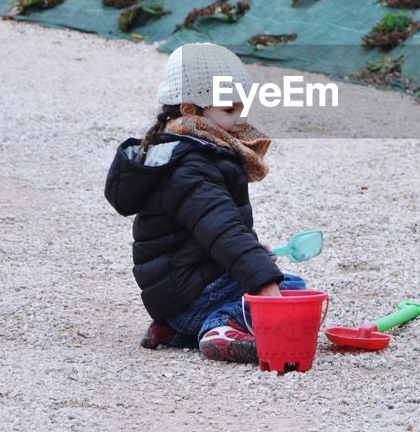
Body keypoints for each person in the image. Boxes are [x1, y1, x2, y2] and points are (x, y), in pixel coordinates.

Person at [104, 42, 305, 363]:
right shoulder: (191, 166)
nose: (239, 120)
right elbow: (223, 230)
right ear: (189, 110)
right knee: (294, 290)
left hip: (175, 293)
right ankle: (220, 328)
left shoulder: (181, 151)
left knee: (266, 274)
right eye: (228, 110)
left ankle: (174, 330)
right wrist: (265, 282)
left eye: (243, 108)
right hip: (193, 294)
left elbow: (212, 228)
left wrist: (256, 255)